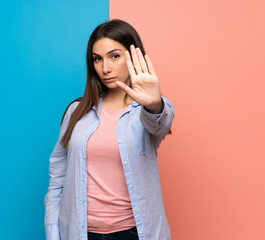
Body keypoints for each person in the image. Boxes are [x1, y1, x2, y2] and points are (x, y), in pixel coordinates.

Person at [44, 19, 174, 240]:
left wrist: (153, 104)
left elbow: (160, 123)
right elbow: (57, 180)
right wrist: (53, 233)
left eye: (114, 56)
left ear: (133, 57)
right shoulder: (77, 112)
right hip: (81, 234)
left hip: (132, 234)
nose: (105, 68)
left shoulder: (147, 111)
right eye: (97, 59)